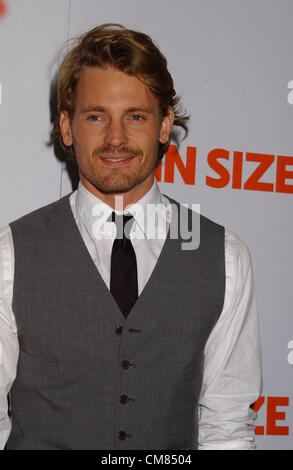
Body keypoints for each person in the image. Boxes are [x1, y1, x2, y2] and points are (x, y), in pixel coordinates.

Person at [0, 23, 262, 450]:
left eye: (136, 116)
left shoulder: (224, 256)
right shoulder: (10, 255)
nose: (116, 138)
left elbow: (227, 425)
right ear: (67, 128)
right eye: (96, 116)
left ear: (164, 126)